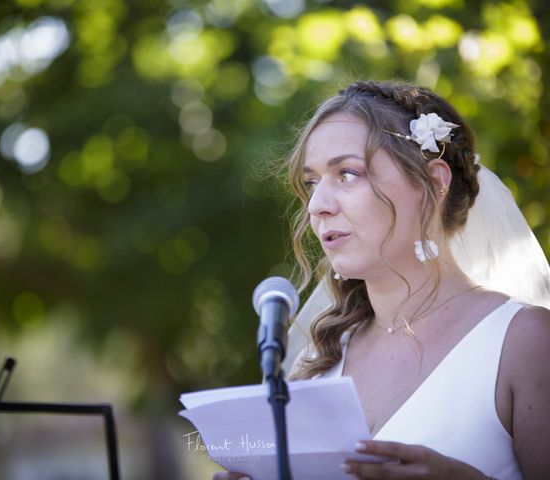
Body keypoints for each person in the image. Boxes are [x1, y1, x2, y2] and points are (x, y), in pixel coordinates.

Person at [215, 81, 550, 479]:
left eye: (347, 174)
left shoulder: (524, 340)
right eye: (311, 183)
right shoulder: (317, 360)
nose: (318, 206)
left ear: (434, 183)